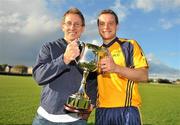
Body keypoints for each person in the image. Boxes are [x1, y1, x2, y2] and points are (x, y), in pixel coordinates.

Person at [32, 8, 96, 125]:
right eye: (69, 23)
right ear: (63, 26)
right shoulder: (49, 47)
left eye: (77, 24)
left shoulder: (88, 52)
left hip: (76, 120)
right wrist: (64, 59)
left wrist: (90, 106)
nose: (72, 27)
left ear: (83, 28)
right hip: (44, 118)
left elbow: (92, 82)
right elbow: (39, 77)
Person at [95, 9, 149, 125]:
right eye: (102, 23)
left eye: (111, 23)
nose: (106, 27)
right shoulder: (95, 53)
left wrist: (116, 68)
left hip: (126, 109)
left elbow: (144, 76)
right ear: (98, 27)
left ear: (117, 26)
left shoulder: (129, 45)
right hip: (101, 111)